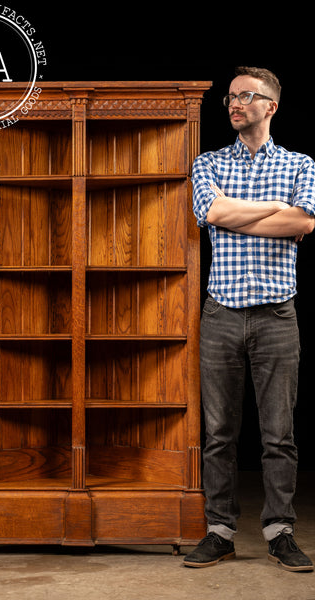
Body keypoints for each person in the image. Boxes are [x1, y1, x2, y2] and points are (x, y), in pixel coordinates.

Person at [184, 66, 315, 571]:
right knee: (219, 433)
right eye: (230, 97)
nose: (234, 103)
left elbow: (303, 222)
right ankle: (220, 531)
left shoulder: (299, 163)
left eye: (245, 96)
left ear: (271, 106)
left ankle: (280, 532)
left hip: (277, 316)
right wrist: (275, 211)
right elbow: (213, 215)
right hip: (220, 314)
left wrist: (250, 213)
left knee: (278, 434)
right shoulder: (209, 163)